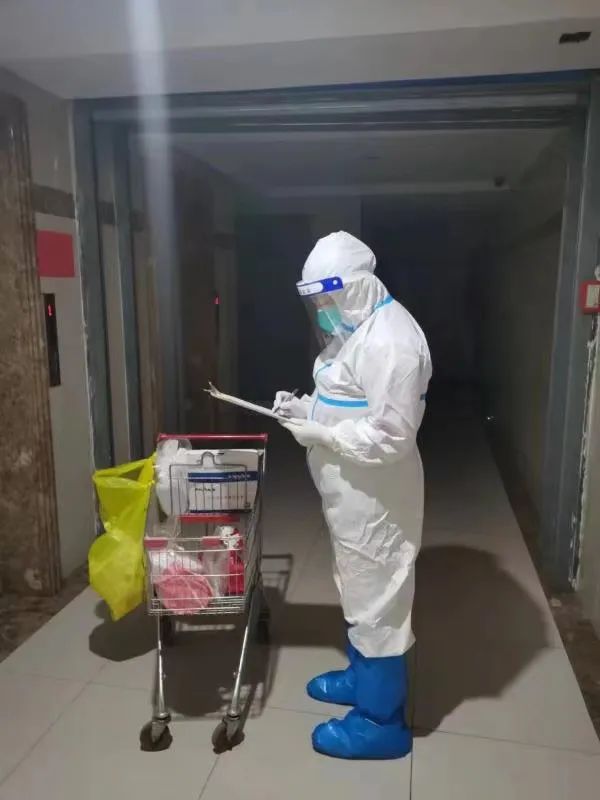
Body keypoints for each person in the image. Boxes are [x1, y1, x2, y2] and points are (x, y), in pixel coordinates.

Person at [273, 231, 432, 760]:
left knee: (377, 600)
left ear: (357, 287)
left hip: (376, 499)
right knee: (356, 586)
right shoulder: (358, 328)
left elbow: (390, 435)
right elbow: (348, 397)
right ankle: (361, 678)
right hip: (352, 494)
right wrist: (307, 410)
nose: (323, 311)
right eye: (316, 301)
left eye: (329, 298)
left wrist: (323, 434)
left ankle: (380, 722)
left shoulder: (393, 342)